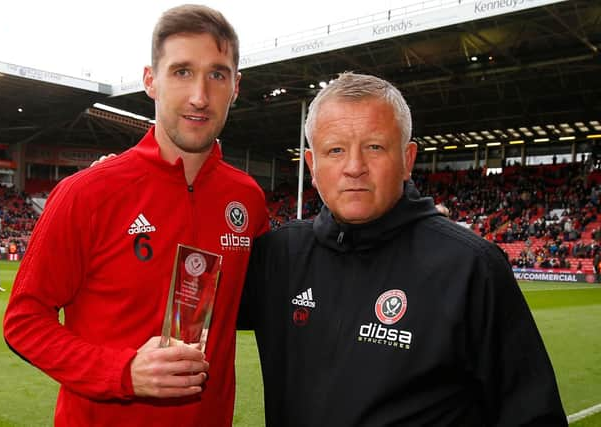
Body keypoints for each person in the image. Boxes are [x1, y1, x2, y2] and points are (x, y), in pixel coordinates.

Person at [239, 72, 567, 426]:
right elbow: (189, 309)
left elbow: (533, 415)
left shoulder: (472, 266)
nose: (354, 168)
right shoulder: (277, 256)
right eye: (335, 150)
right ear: (312, 166)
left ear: (407, 159)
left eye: (375, 147)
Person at [3, 5, 268, 426]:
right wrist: (123, 372)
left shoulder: (248, 199)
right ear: (151, 80)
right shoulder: (87, 192)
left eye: (217, 74)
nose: (200, 96)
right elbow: (24, 321)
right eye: (182, 71)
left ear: (236, 86)